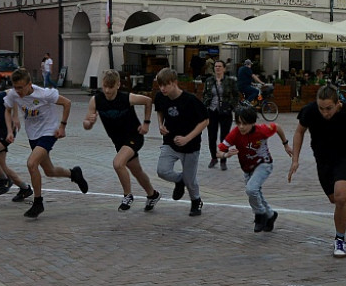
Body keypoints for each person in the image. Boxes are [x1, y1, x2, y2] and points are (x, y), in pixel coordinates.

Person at [288, 84, 346, 258]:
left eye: (329, 108)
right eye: (321, 108)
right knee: (335, 199)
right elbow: (299, 131)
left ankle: (340, 240)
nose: (325, 113)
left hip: (345, 158)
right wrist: (295, 159)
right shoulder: (309, 111)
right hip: (323, 161)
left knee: (340, 197)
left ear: (338, 102)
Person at [4, 66, 88, 218]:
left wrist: (62, 126)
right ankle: (74, 174)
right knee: (49, 171)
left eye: (21, 88)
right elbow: (7, 108)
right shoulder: (13, 94)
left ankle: (38, 202)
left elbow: (67, 103)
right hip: (33, 135)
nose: (18, 91)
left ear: (30, 84)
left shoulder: (44, 94)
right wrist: (10, 129)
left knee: (31, 163)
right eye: (15, 88)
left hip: (49, 132)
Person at [82, 69, 160, 212]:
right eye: (105, 86)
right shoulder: (96, 100)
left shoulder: (127, 98)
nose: (107, 90)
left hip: (134, 137)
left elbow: (148, 101)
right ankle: (152, 194)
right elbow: (86, 124)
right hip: (118, 142)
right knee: (137, 171)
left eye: (110, 87)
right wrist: (90, 122)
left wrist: (146, 123)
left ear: (118, 85)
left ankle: (127, 195)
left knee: (118, 163)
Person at [218, 104, 293, 232]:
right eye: (238, 123)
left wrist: (285, 144)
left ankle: (260, 215)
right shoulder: (235, 133)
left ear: (252, 122)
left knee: (251, 189)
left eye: (245, 123)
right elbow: (218, 151)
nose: (241, 127)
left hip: (263, 163)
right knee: (255, 192)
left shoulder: (262, 130)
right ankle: (270, 215)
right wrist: (226, 154)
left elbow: (277, 127)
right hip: (247, 168)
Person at [153, 67, 209, 217]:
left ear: (175, 83)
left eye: (166, 85)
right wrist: (160, 124)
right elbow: (160, 110)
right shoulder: (160, 97)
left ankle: (196, 201)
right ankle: (179, 180)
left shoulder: (190, 100)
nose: (163, 88)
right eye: (160, 85)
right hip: (170, 142)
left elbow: (205, 121)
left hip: (190, 145)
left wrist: (187, 138)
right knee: (162, 170)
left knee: (190, 181)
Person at [202, 59, 240, 170]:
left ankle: (223, 160)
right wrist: (206, 105)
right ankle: (214, 157)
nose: (217, 68)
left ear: (224, 68)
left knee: (224, 137)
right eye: (216, 66)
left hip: (225, 111)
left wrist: (231, 106)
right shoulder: (209, 81)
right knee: (212, 136)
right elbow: (205, 94)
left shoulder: (230, 81)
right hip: (212, 111)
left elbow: (236, 95)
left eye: (219, 66)